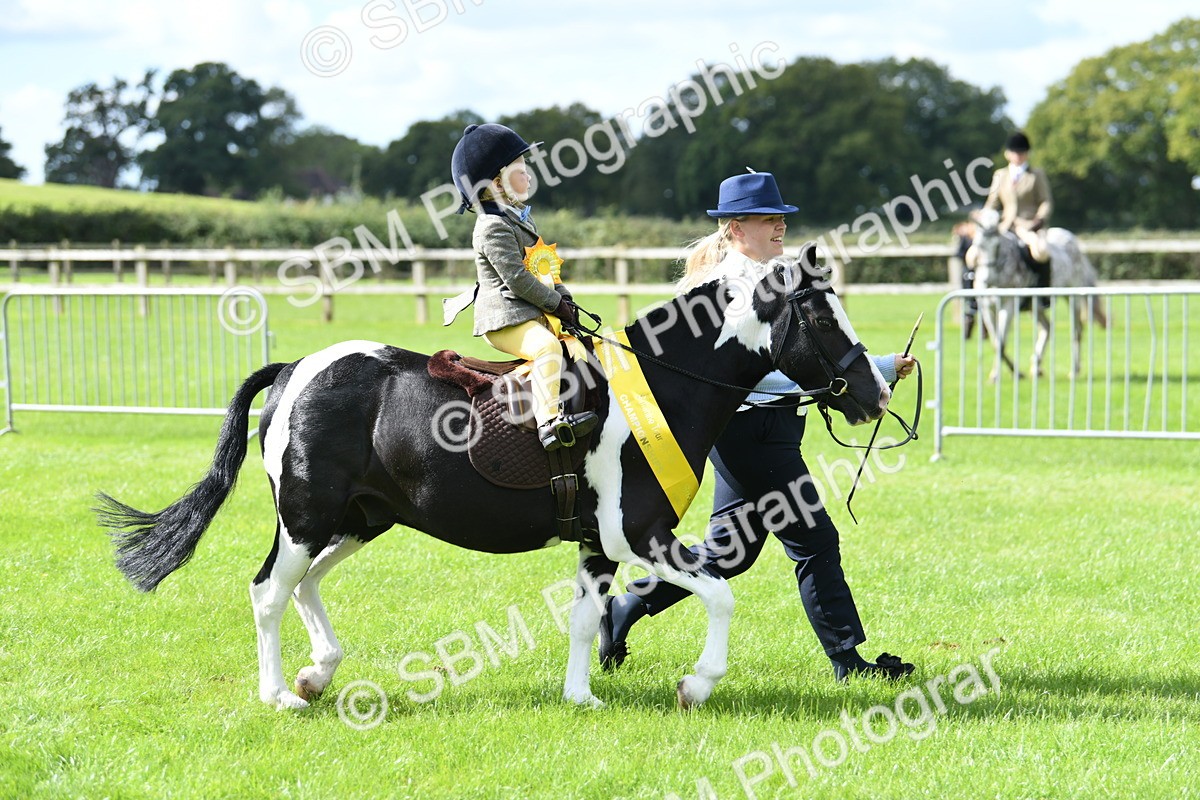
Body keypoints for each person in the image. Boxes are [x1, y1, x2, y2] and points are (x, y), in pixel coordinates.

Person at [598, 171, 917, 683]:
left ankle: (622, 611)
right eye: (767, 219)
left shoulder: (778, 277)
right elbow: (770, 366)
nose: (779, 227)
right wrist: (874, 370)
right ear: (733, 228)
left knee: (731, 550)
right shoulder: (721, 289)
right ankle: (847, 662)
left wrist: (870, 369)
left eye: (781, 218)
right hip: (751, 431)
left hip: (770, 429)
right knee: (815, 540)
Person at [448, 123, 596, 451]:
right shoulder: (491, 227)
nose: (528, 176)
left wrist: (566, 299)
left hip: (529, 311)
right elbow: (516, 278)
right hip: (505, 319)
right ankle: (550, 423)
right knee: (547, 348)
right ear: (497, 182)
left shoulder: (520, 220)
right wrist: (554, 304)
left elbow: (544, 267)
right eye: (521, 169)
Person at [982, 131, 1054, 284]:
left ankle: (1042, 292)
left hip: (1029, 225)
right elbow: (992, 203)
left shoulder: (1036, 174)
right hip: (1005, 225)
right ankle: (973, 298)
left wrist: (1039, 219)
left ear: (1027, 154)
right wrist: (985, 218)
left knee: (1041, 251)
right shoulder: (1000, 175)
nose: (1018, 156)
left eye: (1021, 152)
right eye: (1015, 152)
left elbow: (1045, 201)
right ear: (1008, 154)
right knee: (976, 250)